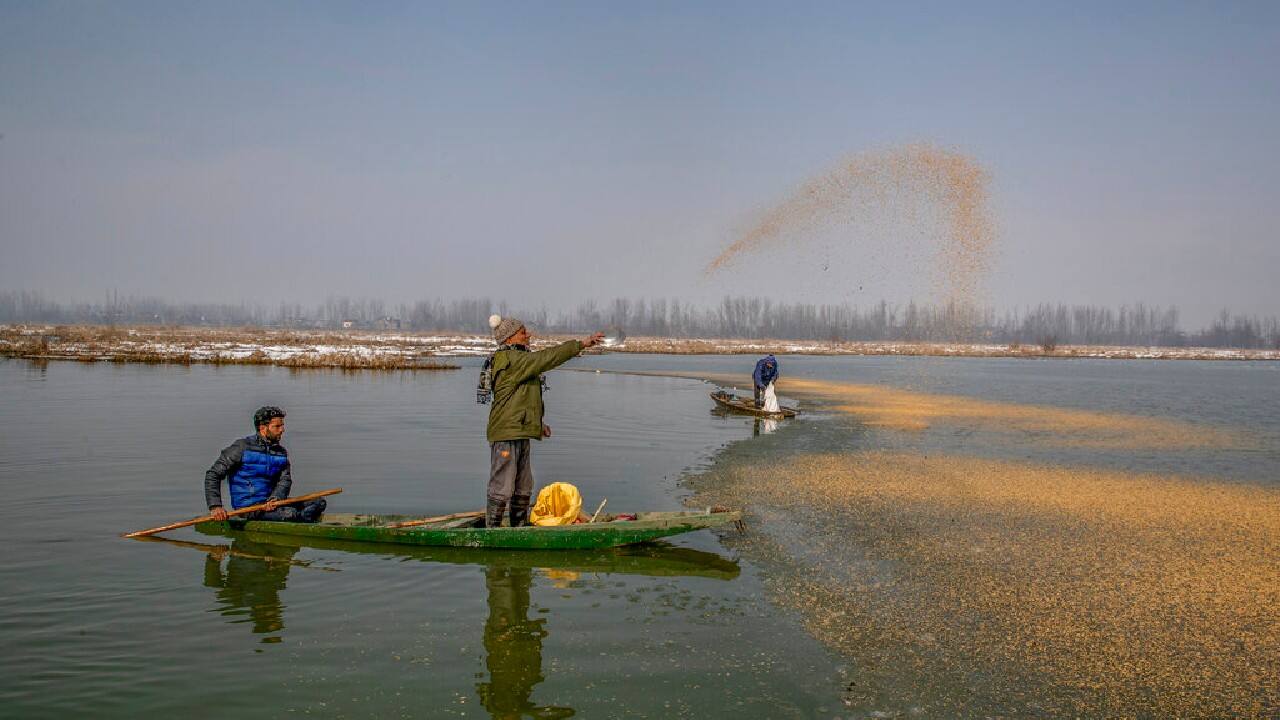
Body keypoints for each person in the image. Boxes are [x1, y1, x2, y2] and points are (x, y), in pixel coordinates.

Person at [478, 315, 602, 528]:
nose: (528, 335)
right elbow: (547, 358)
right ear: (509, 338)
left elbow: (524, 398)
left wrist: (538, 424)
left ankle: (519, 528)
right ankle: (492, 530)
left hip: (519, 430)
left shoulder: (518, 359)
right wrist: (581, 344)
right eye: (523, 332)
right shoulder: (510, 359)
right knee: (503, 485)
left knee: (523, 485)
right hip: (506, 433)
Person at [204, 406, 326, 523]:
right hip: (249, 508)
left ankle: (301, 517)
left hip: (272, 503)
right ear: (263, 428)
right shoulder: (241, 447)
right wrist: (215, 507)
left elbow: (285, 480)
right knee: (290, 513)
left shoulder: (281, 453)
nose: (282, 430)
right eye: (277, 426)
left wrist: (275, 499)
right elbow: (213, 475)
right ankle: (300, 518)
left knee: (318, 502)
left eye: (282, 425)